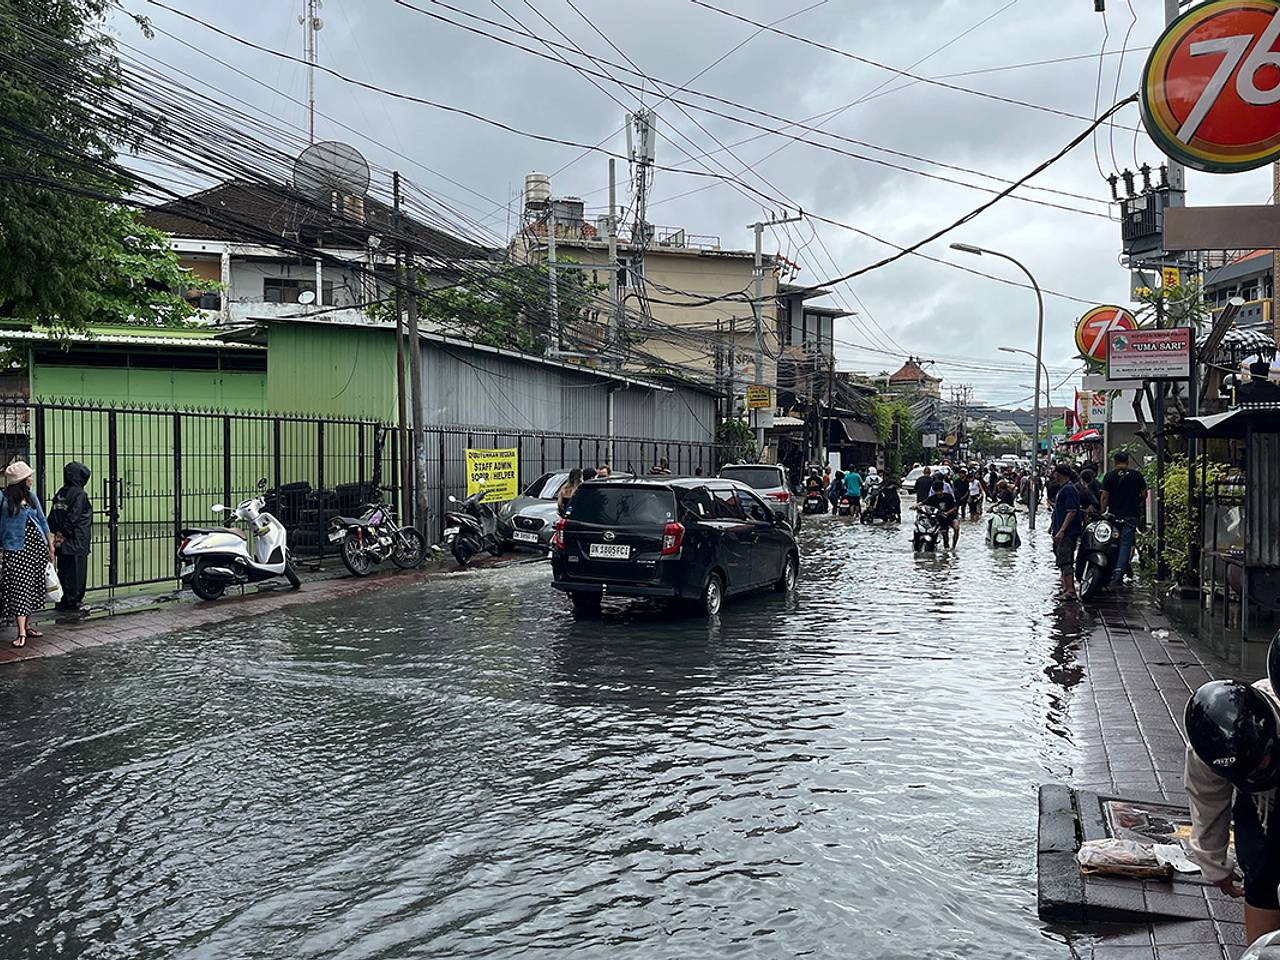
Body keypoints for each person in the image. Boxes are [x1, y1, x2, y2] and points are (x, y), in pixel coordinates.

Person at [1185, 670, 1280, 945]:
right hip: (1260, 801)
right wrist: (1215, 865)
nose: (1259, 770)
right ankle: (1262, 953)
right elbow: (1207, 800)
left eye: (1262, 763)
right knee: (1260, 867)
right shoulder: (1208, 746)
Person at [1, 461, 54, 648]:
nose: (31, 479)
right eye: (28, 476)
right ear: (21, 480)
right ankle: (21, 632)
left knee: (32, 587)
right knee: (19, 588)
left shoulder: (31, 497)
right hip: (16, 549)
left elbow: (42, 520)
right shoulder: (4, 498)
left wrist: (50, 545)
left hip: (35, 548)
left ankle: (27, 626)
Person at [49, 461, 92, 615]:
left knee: (64, 571)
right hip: (77, 540)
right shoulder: (80, 494)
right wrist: (64, 533)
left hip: (62, 542)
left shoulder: (61, 493)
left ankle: (62, 601)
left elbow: (52, 517)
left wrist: (57, 534)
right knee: (77, 573)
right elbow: (74, 516)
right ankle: (74, 603)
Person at [1100, 451, 1148, 587]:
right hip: (1131, 515)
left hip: (1114, 516)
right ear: (1127, 461)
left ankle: (1110, 570)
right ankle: (1118, 573)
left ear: (1115, 462)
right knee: (1125, 545)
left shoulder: (1109, 476)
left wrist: (1102, 512)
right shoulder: (1136, 475)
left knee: (1111, 542)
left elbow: (1104, 496)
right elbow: (1144, 494)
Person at [1050, 463, 1081, 601]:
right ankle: (1065, 587)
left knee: (1066, 560)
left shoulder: (1068, 489)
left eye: (1055, 473)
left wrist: (1062, 530)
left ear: (1059, 474)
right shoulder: (1064, 488)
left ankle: (1070, 590)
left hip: (1068, 532)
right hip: (1061, 530)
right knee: (1062, 559)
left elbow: (1071, 511)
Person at [921, 478, 960, 549]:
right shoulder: (932, 498)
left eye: (940, 490)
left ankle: (953, 547)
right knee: (945, 537)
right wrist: (916, 505)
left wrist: (947, 513)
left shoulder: (948, 496)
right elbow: (923, 502)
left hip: (951, 516)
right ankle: (946, 549)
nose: (939, 493)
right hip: (941, 519)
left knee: (956, 527)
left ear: (943, 489)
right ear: (934, 491)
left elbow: (955, 507)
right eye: (937, 491)